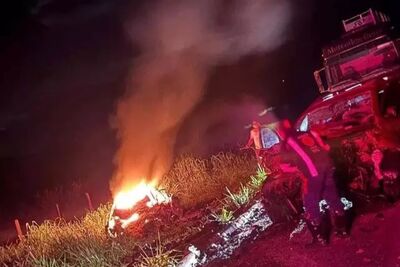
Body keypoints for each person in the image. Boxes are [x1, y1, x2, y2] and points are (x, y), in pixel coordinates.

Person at [273, 120, 349, 245]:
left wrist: (296, 169)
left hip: (313, 175)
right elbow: (326, 148)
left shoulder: (287, 143)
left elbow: (285, 166)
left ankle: (321, 238)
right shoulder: (310, 133)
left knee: (311, 205)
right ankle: (343, 230)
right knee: (332, 197)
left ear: (280, 131)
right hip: (328, 168)